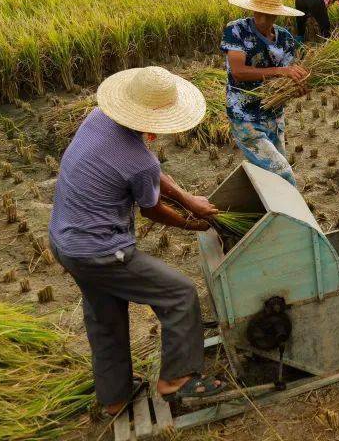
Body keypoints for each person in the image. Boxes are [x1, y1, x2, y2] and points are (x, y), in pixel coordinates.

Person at [48, 66, 227, 415]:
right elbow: (152, 209)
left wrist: (187, 198)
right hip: (100, 252)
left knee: (105, 318)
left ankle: (114, 398)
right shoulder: (139, 161)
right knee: (179, 294)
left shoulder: (99, 119)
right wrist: (191, 224)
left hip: (65, 242)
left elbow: (151, 172)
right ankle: (176, 379)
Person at [222, 0, 307, 185]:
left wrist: (296, 87)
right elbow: (238, 72)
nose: (262, 19)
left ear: (277, 14)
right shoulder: (236, 30)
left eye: (269, 15)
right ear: (252, 9)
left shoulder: (285, 39)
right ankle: (293, 205)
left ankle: (260, 202)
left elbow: (286, 79)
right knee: (282, 172)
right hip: (245, 116)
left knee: (270, 175)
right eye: (259, 13)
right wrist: (280, 71)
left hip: (274, 115)